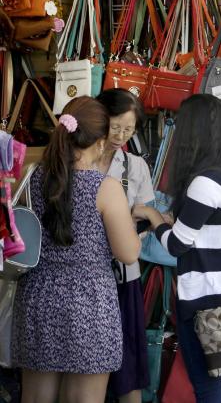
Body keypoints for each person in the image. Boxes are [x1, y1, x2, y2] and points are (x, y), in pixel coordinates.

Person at [11, 97, 141, 403]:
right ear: (99, 142)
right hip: (90, 303)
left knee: (35, 398)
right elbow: (128, 253)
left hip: (37, 299)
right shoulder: (105, 188)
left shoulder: (32, 177)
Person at [132, 95, 221, 403]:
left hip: (203, 302)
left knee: (207, 385)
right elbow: (212, 230)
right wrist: (174, 220)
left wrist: (152, 215)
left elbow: (177, 245)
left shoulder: (203, 183)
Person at [96, 89, 153, 403]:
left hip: (122, 276)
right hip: (85, 277)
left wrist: (128, 235)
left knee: (126, 359)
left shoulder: (135, 167)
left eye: (127, 130)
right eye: (114, 126)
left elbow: (144, 217)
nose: (119, 135)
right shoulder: (78, 160)